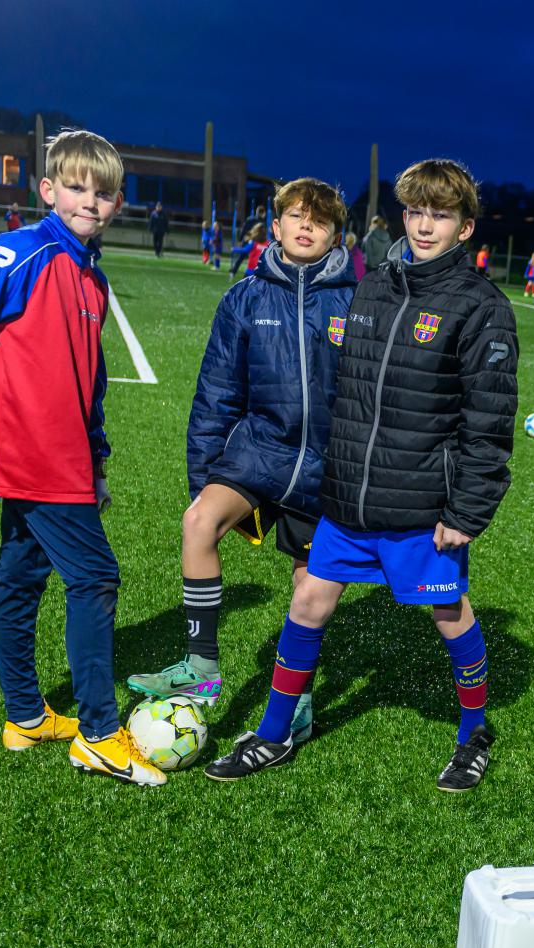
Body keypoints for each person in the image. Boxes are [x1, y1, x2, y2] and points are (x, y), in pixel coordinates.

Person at [206, 158, 518, 791]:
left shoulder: (480, 307)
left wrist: (466, 512)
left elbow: (489, 422)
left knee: (450, 614)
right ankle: (272, 735)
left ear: (465, 228)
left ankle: (474, 731)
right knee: (309, 602)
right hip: (348, 497)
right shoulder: (372, 285)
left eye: (441, 214)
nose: (425, 225)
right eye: (415, 211)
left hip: (420, 503)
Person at [0, 130, 164, 786]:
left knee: (21, 578)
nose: (91, 200)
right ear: (48, 190)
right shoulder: (24, 250)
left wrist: (99, 461)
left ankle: (26, 716)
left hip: (66, 457)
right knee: (95, 578)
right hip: (33, 454)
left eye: (103, 191)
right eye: (77, 187)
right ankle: (100, 732)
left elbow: (91, 381)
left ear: (116, 203)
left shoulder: (91, 275)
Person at [127, 178, 357, 726]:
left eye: (319, 221)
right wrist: (203, 479)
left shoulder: (358, 303)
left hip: (325, 469)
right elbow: (216, 395)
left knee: (310, 584)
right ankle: (201, 668)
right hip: (260, 454)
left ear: (335, 236)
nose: (306, 227)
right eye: (296, 217)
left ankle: (295, 700)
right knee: (199, 521)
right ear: (275, 226)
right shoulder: (244, 298)